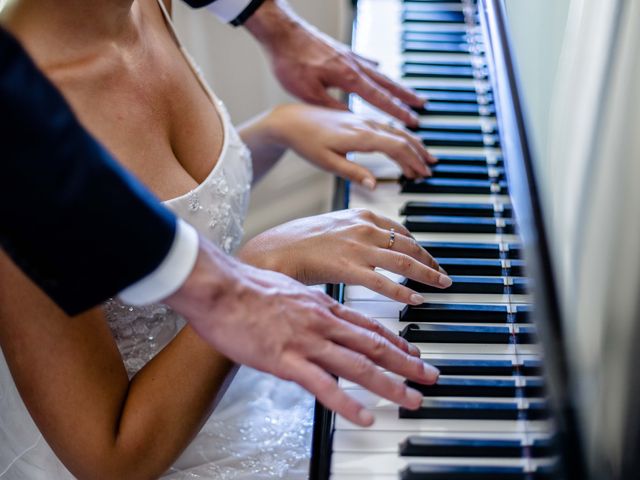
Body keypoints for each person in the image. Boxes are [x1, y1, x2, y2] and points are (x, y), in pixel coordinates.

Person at [0, 0, 448, 477]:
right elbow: (113, 460)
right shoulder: (17, 139)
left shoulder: (147, 9)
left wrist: (276, 130)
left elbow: (171, 207)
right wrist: (262, 265)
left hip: (227, 383)